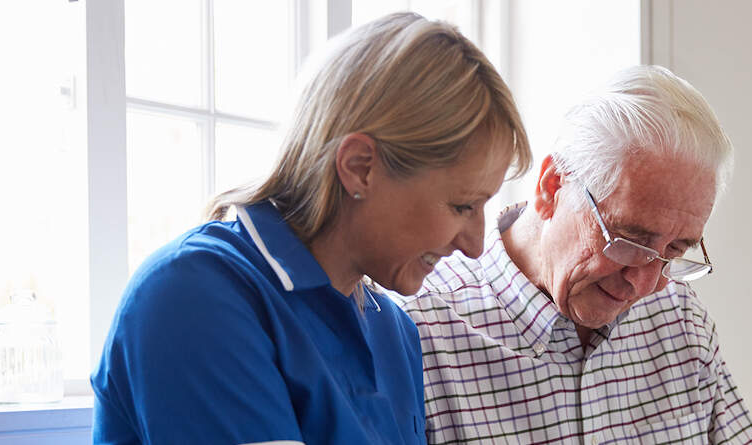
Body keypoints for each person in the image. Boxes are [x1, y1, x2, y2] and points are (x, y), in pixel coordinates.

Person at [91, 12, 531, 445]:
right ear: (360, 168)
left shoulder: (394, 333)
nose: (476, 246)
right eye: (461, 206)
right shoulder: (193, 296)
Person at [396, 65, 752, 444]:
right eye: (629, 241)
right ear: (552, 186)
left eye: (674, 250)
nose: (646, 284)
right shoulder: (423, 334)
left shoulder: (680, 322)